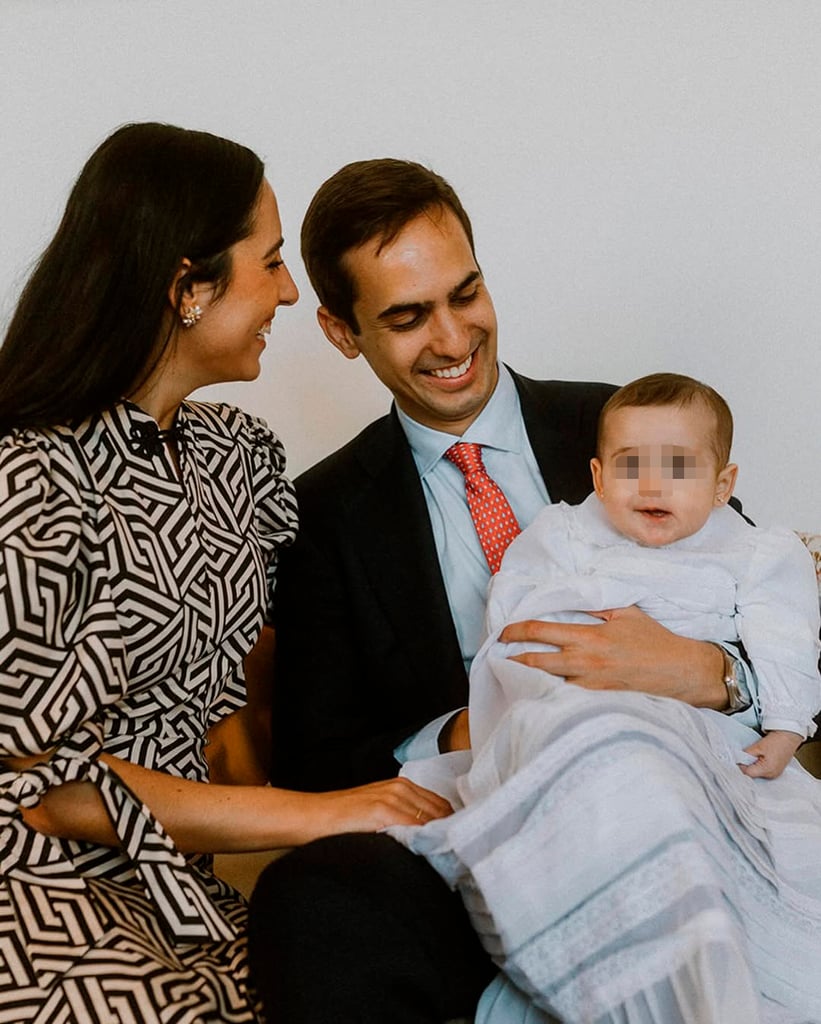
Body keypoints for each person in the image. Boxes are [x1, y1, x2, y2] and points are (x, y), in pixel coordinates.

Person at [249, 159, 761, 1023]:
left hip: (671, 789)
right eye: (408, 317)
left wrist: (702, 671)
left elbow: (771, 609)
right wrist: (485, 718)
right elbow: (314, 756)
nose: (452, 339)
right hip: (471, 826)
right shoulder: (321, 513)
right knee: (312, 904)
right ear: (341, 331)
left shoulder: (625, 423)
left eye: (465, 293)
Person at [0, 123, 450, 1024]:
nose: (288, 291)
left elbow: (263, 697)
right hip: (39, 888)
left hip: (189, 896)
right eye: (272, 262)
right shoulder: (29, 475)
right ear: (187, 289)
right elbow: (45, 789)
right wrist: (320, 815)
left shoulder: (239, 461)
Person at [391, 373, 821, 1024]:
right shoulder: (564, 537)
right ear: (596, 476)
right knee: (602, 756)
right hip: (579, 713)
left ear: (722, 483)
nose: (651, 485)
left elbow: (786, 640)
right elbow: (515, 631)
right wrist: (547, 717)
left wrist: (786, 726)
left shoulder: (755, 553)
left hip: (707, 739)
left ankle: (704, 965)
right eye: (629, 467)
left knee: (720, 827)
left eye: (677, 467)